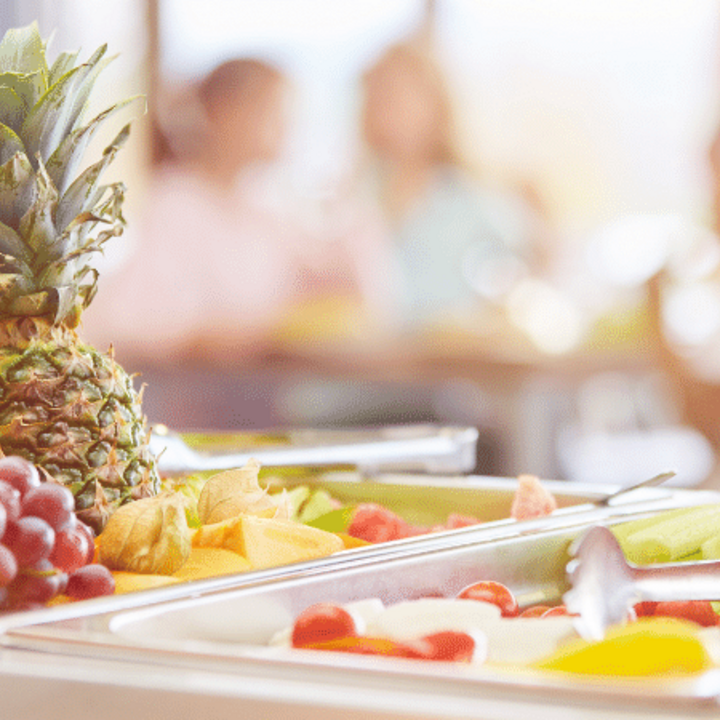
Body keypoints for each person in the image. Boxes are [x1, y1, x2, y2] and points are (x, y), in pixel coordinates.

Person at [356, 41, 552, 329]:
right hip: (363, 362)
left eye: (403, 97)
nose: (391, 111)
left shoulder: (468, 196)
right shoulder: (353, 195)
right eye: (381, 96)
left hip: (447, 360)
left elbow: (532, 259)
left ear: (437, 106)